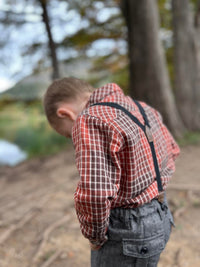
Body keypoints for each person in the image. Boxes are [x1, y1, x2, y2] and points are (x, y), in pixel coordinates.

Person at [43, 77, 180, 267]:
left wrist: (95, 236)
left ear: (65, 113)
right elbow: (173, 150)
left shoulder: (90, 119)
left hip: (128, 230)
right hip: (161, 216)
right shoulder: (141, 107)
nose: (72, 138)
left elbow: (96, 193)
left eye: (68, 134)